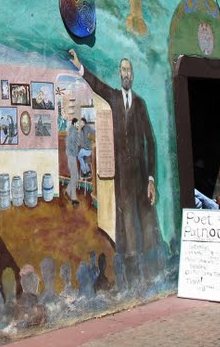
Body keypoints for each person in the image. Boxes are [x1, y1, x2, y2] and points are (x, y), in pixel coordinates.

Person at [68, 52, 163, 287]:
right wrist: (81, 67)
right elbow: (97, 86)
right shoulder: (113, 97)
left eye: (129, 70)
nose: (126, 74)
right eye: (123, 70)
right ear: (119, 75)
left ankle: (153, 271)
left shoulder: (140, 104)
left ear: (133, 75)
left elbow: (150, 141)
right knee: (128, 224)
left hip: (141, 176)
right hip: (123, 178)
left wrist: (151, 179)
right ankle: (132, 277)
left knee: (148, 223)